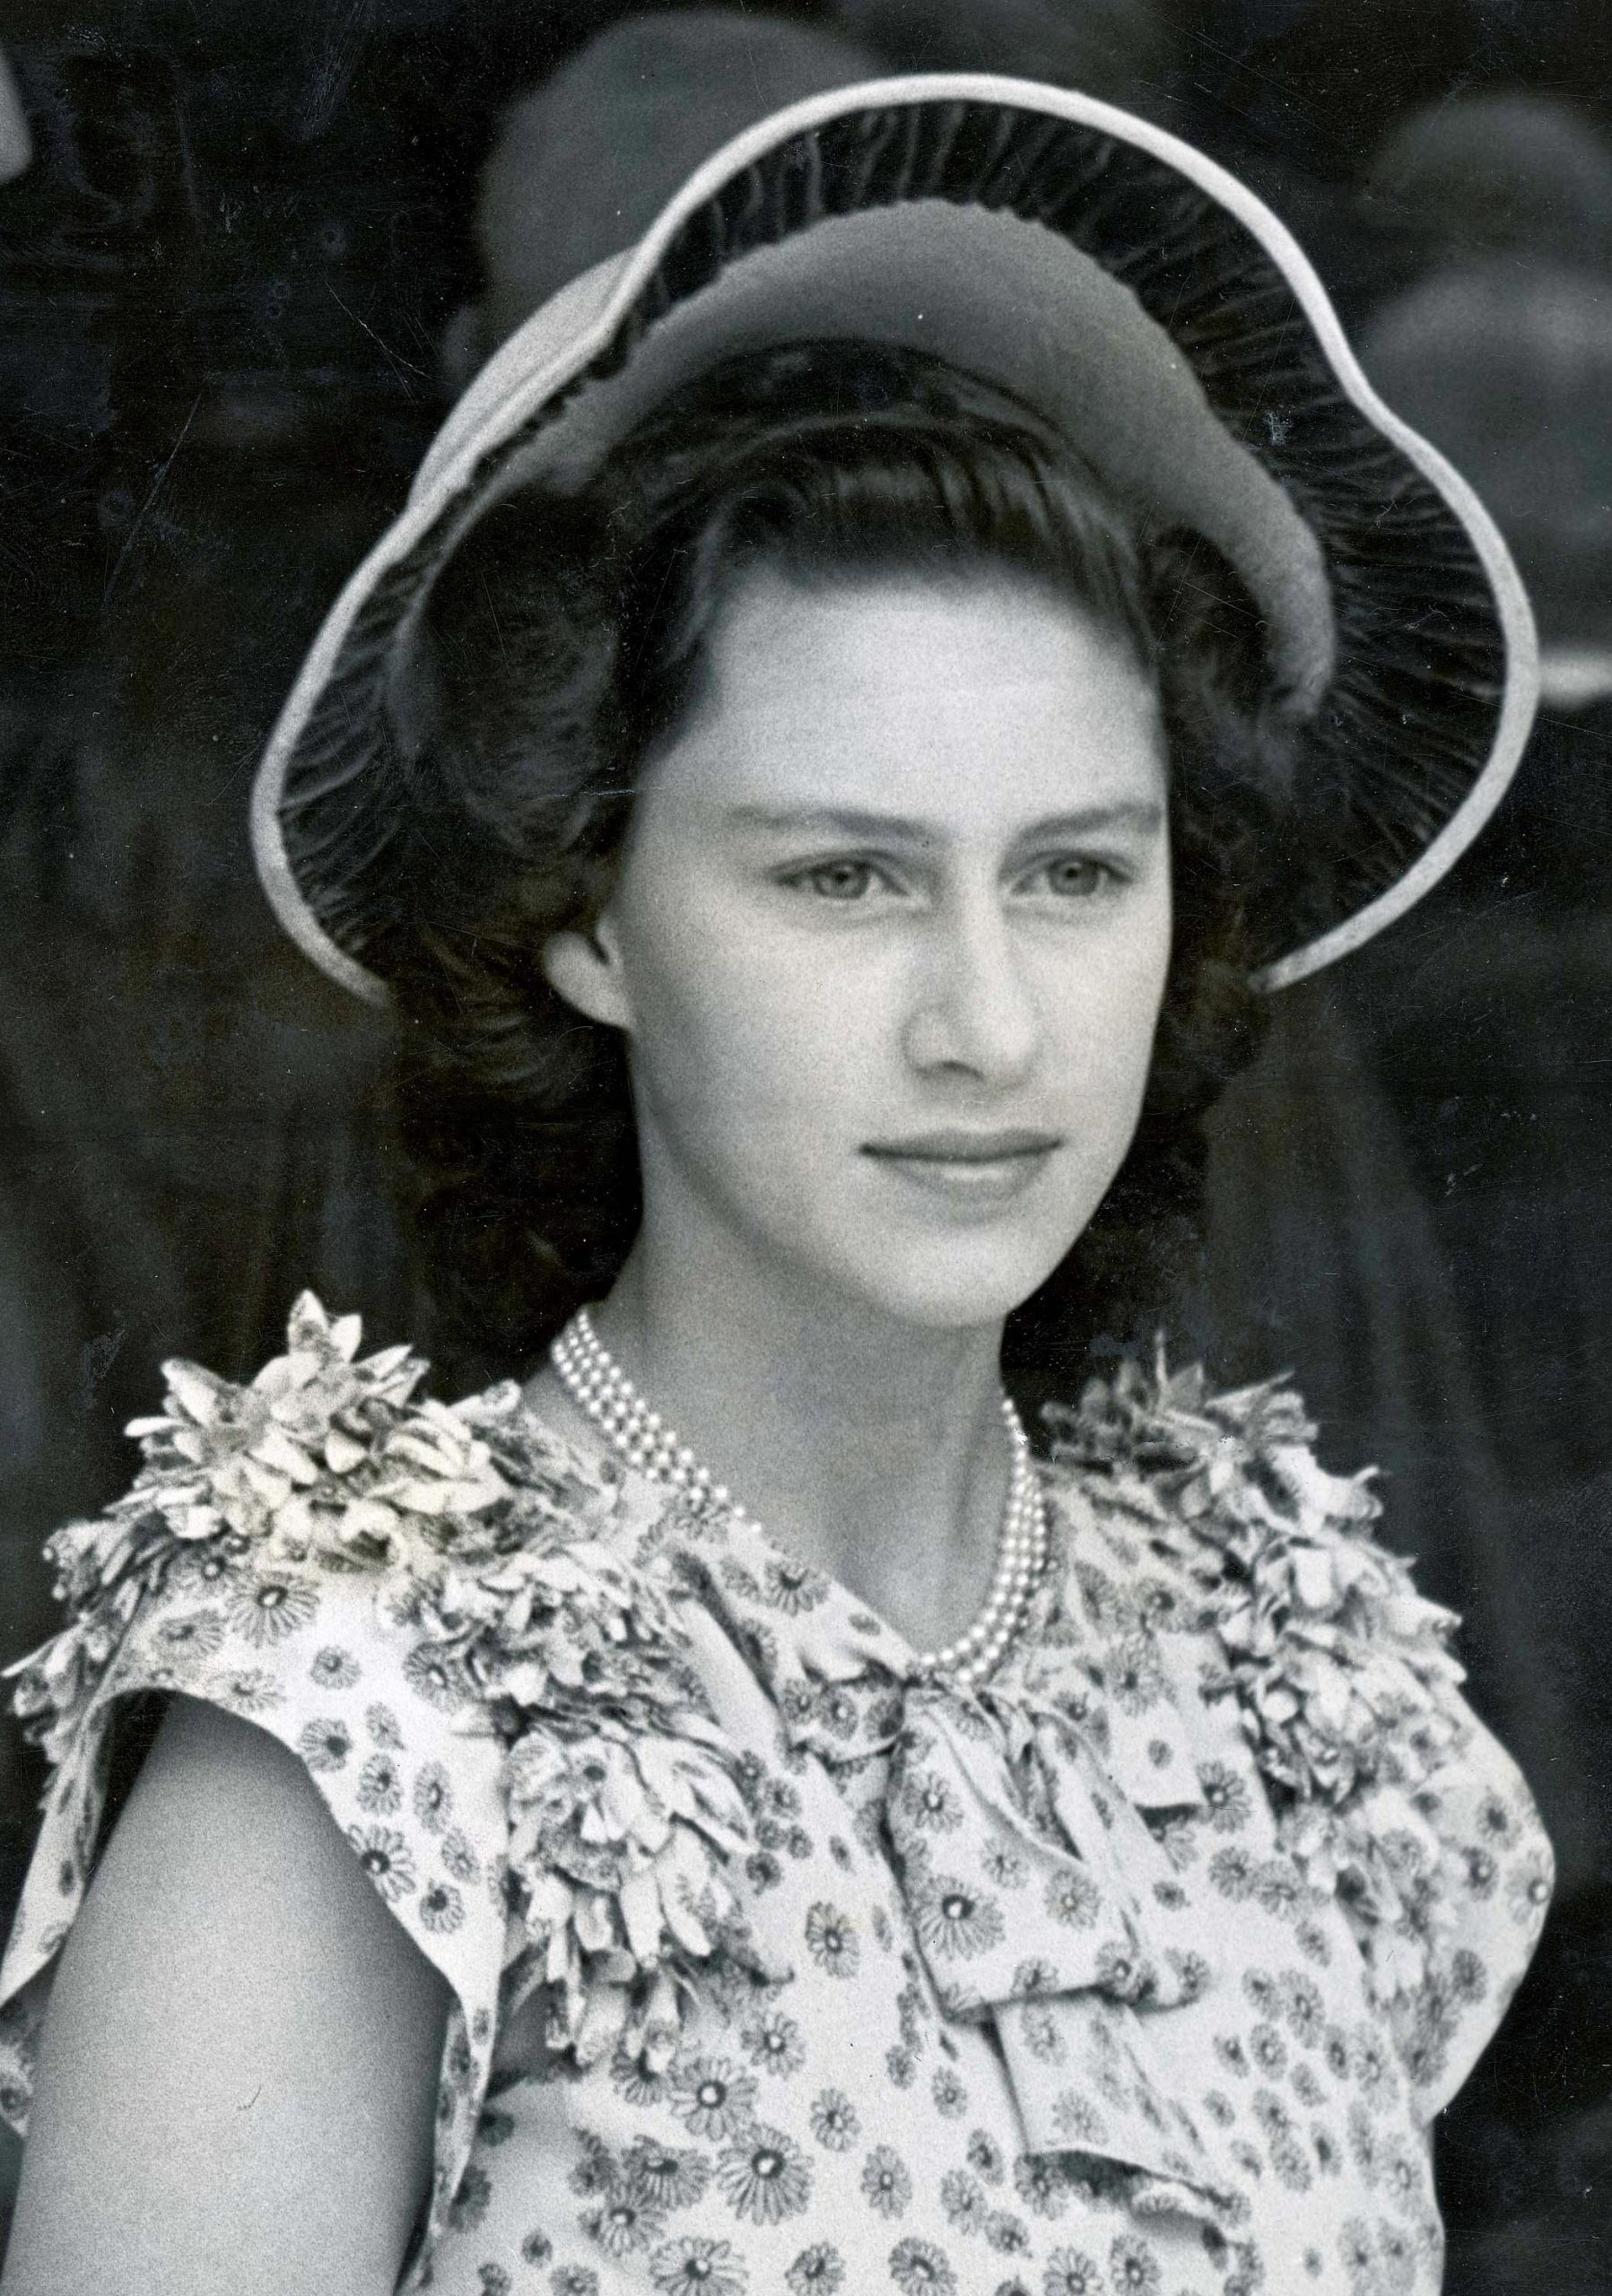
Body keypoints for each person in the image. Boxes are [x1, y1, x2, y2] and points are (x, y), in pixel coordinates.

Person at [0, 26, 1553, 2296]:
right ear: (590, 909)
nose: (983, 1022)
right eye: (838, 878)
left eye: (1073, 873)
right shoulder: (362, 1734)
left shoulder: (1273, 1674)